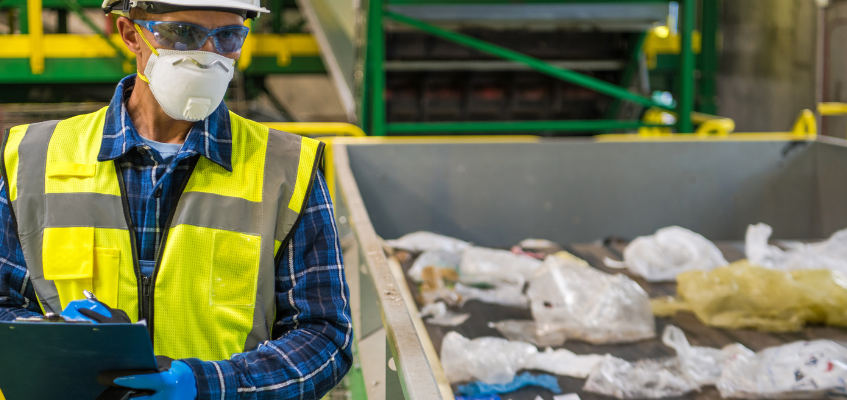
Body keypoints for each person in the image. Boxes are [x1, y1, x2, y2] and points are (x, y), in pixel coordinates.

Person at [0, 0, 353, 398]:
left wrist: (210, 386)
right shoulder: (36, 158)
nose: (206, 55)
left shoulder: (286, 169)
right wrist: (45, 336)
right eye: (182, 33)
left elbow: (325, 337)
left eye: (228, 37)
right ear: (130, 33)